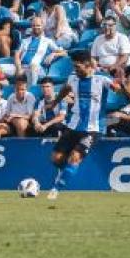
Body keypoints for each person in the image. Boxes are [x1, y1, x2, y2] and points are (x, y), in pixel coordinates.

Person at [45, 50, 117, 200]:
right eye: (74, 67)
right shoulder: (73, 79)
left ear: (88, 65)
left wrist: (124, 90)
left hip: (92, 129)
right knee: (56, 158)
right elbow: (65, 89)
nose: (75, 70)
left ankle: (56, 188)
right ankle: (65, 172)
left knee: (75, 157)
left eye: (78, 67)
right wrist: (55, 103)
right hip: (73, 126)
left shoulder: (102, 80)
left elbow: (118, 89)